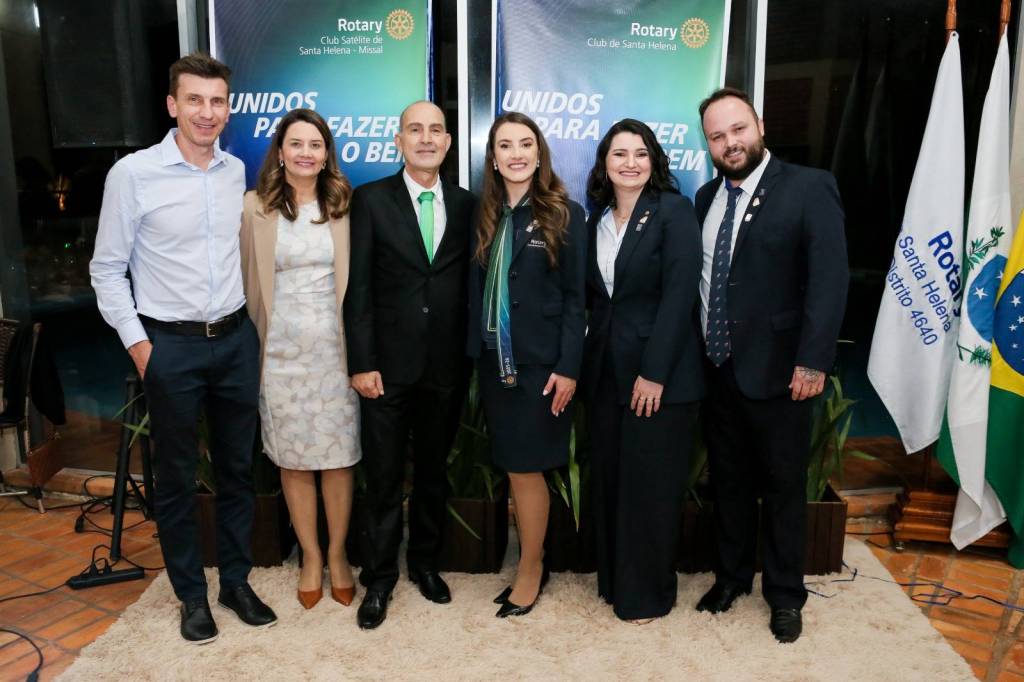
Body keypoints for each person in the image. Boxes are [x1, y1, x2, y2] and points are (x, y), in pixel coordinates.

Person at [90, 53, 276, 644]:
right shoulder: (133, 175)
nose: (207, 112)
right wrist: (141, 347)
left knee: (238, 471)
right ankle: (191, 596)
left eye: (217, 101)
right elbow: (106, 270)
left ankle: (236, 583)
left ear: (228, 108)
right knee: (175, 479)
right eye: (194, 99)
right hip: (169, 346)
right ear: (173, 105)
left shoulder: (234, 171)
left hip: (234, 340)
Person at [693, 87, 849, 643]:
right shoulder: (705, 197)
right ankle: (731, 578)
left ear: (759, 125)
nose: (730, 143)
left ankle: (785, 595)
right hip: (717, 369)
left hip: (784, 372)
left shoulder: (809, 187)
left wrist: (813, 360)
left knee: (783, 486)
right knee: (728, 482)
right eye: (717, 136)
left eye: (738, 129)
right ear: (708, 144)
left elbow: (829, 280)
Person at [343, 101, 477, 630]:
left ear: (448, 143)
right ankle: (378, 579)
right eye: (415, 130)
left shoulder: (467, 204)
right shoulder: (371, 199)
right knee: (381, 477)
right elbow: (358, 287)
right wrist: (361, 362)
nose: (426, 138)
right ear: (398, 140)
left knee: (433, 474)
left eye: (436, 130)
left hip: (445, 367)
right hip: (385, 370)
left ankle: (424, 564)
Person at [580, 119, 704, 624]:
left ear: (653, 161)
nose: (629, 163)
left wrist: (654, 373)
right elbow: (597, 301)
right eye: (619, 154)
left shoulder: (673, 211)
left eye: (640, 154)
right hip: (606, 376)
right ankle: (616, 583)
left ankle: (647, 595)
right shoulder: (595, 220)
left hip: (659, 378)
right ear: (604, 164)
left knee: (651, 488)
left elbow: (680, 296)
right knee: (612, 481)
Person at [239, 108, 360, 611]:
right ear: (281, 151)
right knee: (292, 460)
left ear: (326, 153)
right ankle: (309, 555)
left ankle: (337, 555)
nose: (306, 153)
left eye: (315, 144)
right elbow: (246, 282)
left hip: (337, 354)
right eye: (296, 143)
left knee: (338, 458)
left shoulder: (346, 205)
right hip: (280, 355)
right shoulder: (254, 207)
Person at [467, 112, 587, 618]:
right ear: (493, 158)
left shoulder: (565, 213)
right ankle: (532, 559)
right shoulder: (483, 214)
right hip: (496, 364)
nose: (515, 153)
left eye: (525, 144)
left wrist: (569, 367)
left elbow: (577, 299)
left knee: (527, 467)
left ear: (539, 154)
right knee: (515, 467)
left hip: (542, 368)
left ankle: (532, 567)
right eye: (505, 145)